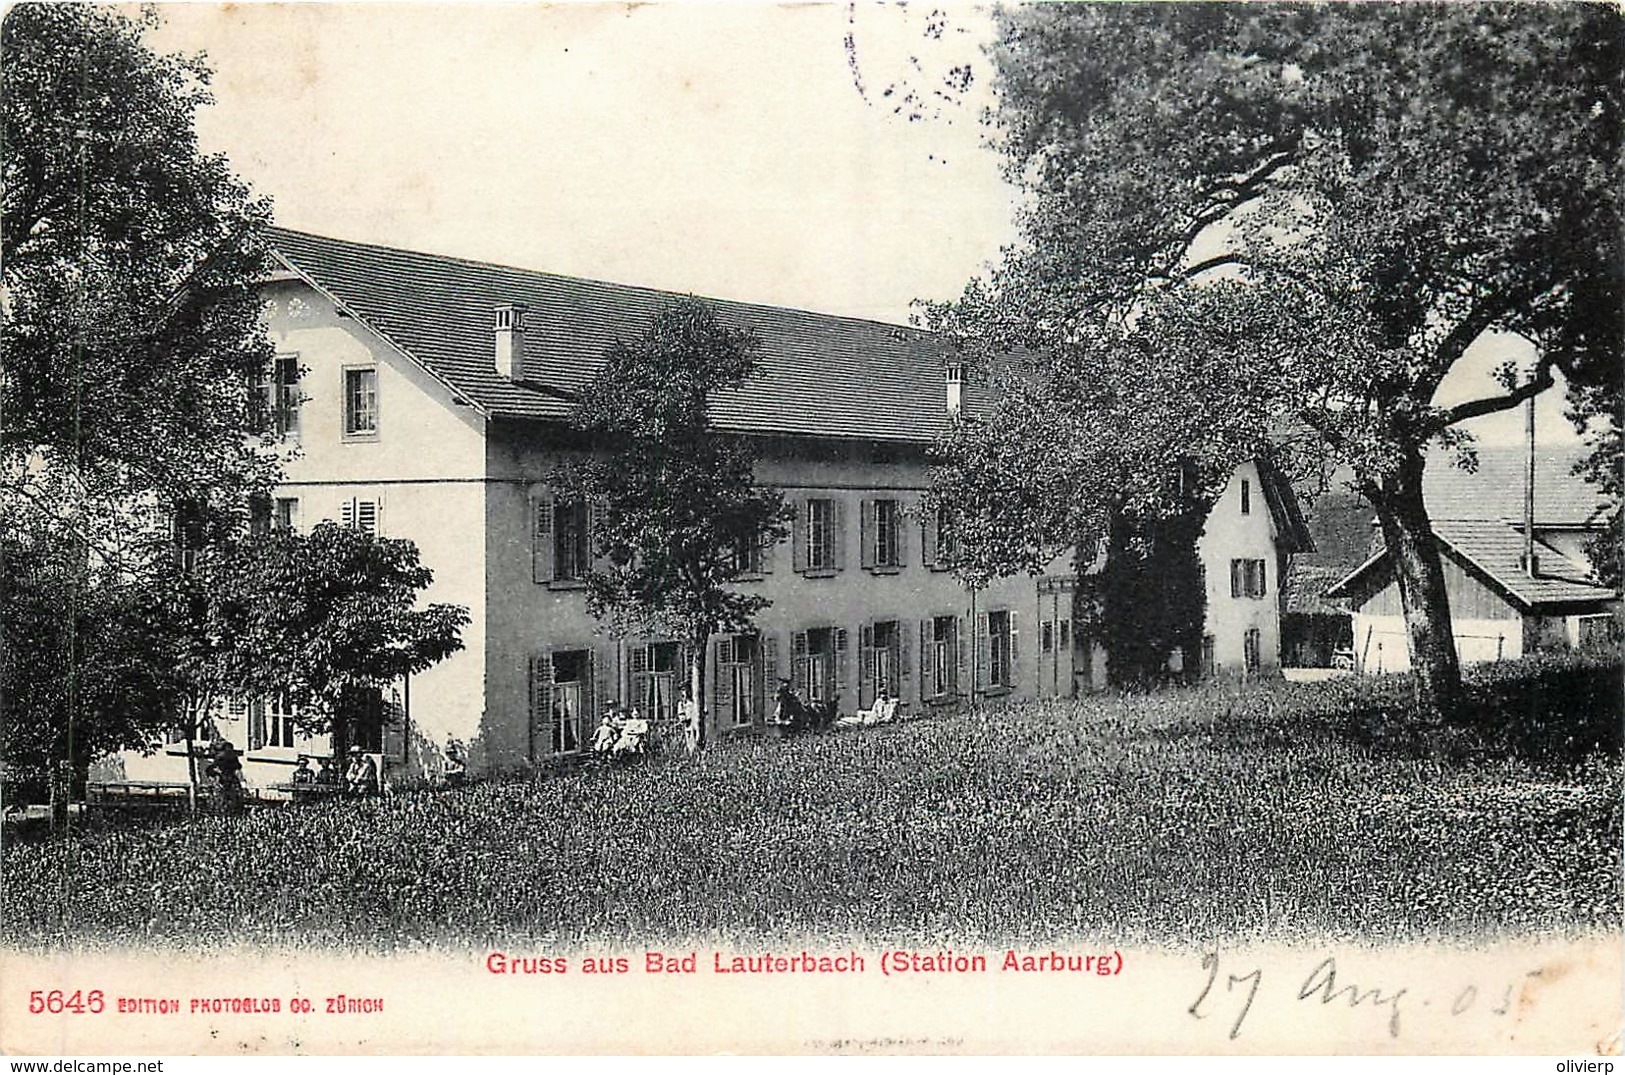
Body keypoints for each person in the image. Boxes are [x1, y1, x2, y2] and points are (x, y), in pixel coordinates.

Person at [203, 741, 245, 812]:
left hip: (228, 781)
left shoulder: (225, 758)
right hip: (225, 781)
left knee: (231, 801)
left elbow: (237, 767)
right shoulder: (223, 758)